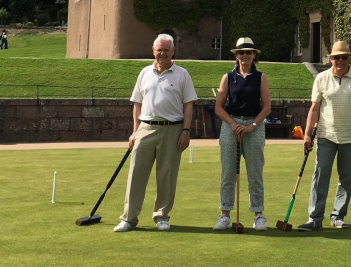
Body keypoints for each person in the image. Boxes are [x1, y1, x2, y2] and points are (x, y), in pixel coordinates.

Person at [114, 33, 197, 232]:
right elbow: (137, 104)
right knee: (136, 174)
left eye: (166, 50)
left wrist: (186, 130)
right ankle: (129, 218)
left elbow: (188, 106)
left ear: (173, 51)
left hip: (173, 129)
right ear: (153, 51)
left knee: (166, 175)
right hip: (145, 128)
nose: (162, 53)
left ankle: (161, 216)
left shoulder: (182, 74)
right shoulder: (144, 73)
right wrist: (135, 132)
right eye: (159, 50)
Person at [298, 41, 351, 231]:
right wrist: (307, 135)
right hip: (326, 135)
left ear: (350, 58)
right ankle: (315, 218)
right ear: (330, 59)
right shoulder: (321, 78)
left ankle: (338, 216)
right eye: (336, 57)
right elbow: (314, 109)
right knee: (320, 176)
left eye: (344, 57)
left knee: (346, 178)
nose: (340, 60)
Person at [213, 37, 272, 232]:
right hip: (231, 125)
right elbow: (219, 107)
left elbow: (267, 107)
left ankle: (258, 214)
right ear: (236, 56)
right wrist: (232, 124)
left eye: (248, 52)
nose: (244, 56)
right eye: (241, 53)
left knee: (255, 172)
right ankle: (225, 214)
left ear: (254, 55)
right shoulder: (228, 77)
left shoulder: (261, 77)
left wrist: (252, 126)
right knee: (228, 171)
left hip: (254, 125)